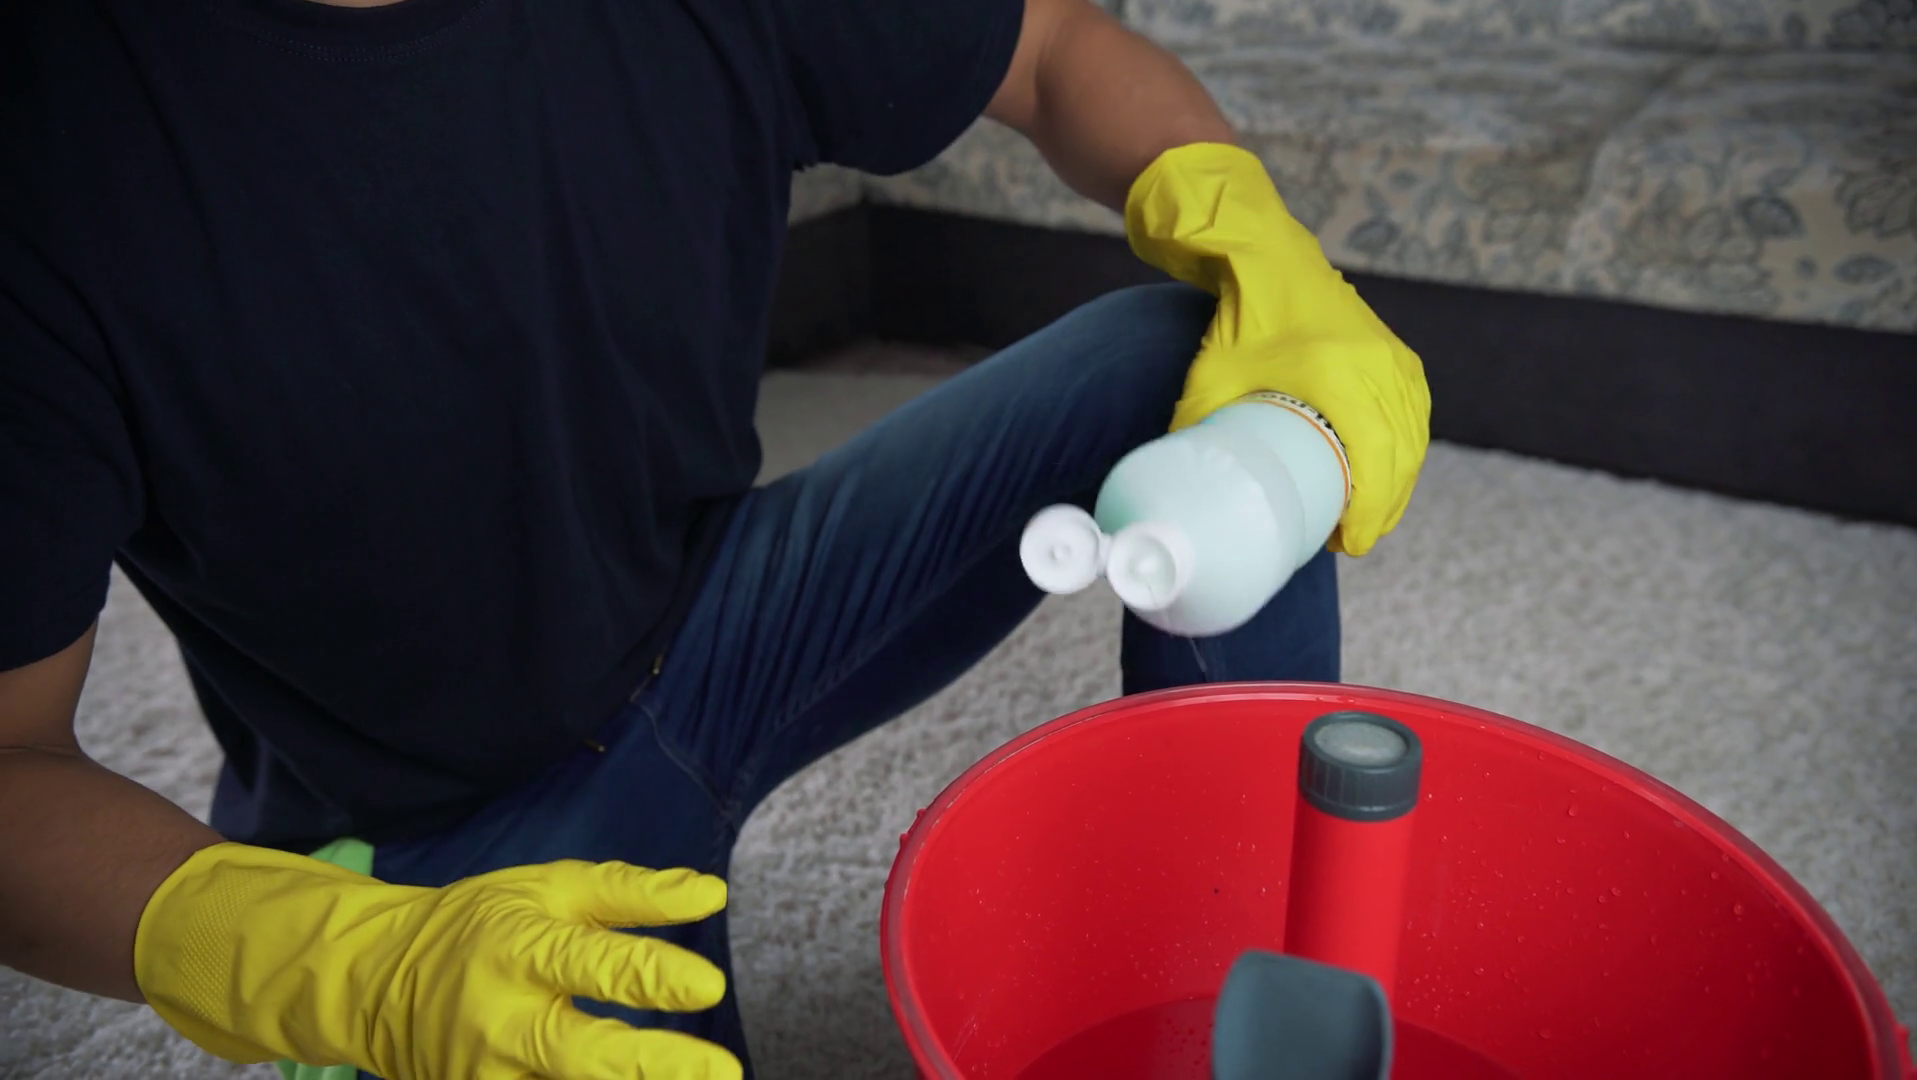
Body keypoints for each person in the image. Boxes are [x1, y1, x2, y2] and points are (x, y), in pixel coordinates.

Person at [0, 0, 1429, 1074]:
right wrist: (342, 967)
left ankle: (1239, 986)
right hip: (430, 856)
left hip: (722, 618)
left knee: (1203, 367)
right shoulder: (56, 140)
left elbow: (1052, 48)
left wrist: (1253, 237)